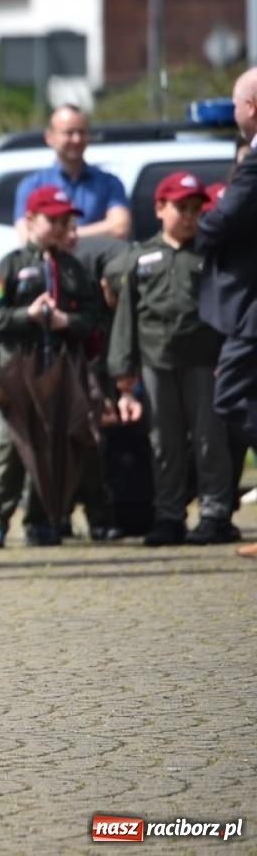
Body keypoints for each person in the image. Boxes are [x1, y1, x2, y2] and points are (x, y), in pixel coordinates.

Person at [111, 172, 237, 546]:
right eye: (180, 208)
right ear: (160, 208)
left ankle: (215, 512)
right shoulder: (140, 258)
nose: (189, 216)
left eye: (196, 209)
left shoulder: (210, 254)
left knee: (208, 439)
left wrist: (228, 356)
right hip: (155, 362)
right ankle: (169, 514)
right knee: (164, 442)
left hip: (204, 361)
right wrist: (123, 374)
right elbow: (126, 318)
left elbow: (226, 309)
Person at [0, 184, 107, 546]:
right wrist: (28, 315)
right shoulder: (13, 264)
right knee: (11, 444)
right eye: (52, 219)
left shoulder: (72, 268)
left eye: (65, 220)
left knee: (51, 444)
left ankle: (42, 518)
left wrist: (68, 322)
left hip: (60, 369)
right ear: (31, 220)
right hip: (20, 367)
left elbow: (92, 317)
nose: (60, 227)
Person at [199, 69, 257, 559]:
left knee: (232, 394)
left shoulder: (255, 161)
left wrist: (204, 223)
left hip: (252, 310)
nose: (234, 113)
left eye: (236, 105)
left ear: (251, 106)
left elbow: (224, 217)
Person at [12, 105, 130, 243]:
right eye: (69, 133)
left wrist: (60, 235)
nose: (76, 139)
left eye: (82, 132)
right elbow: (26, 237)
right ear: (50, 137)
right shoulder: (33, 185)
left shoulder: (109, 183)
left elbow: (119, 228)